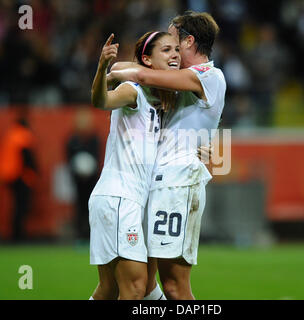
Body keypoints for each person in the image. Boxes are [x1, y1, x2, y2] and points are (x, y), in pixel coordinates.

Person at [108, 11, 226, 300]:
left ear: (188, 41)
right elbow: (135, 68)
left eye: (172, 40)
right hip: (155, 183)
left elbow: (140, 72)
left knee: (174, 286)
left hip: (178, 183)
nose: (169, 48)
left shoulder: (210, 76)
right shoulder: (173, 81)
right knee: (144, 286)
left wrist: (106, 72)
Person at [88, 31, 180, 300]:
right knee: (136, 287)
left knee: (110, 289)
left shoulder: (160, 104)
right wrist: (103, 67)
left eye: (176, 49)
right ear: (147, 60)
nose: (174, 54)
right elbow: (100, 101)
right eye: (166, 50)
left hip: (128, 202)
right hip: (120, 198)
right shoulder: (133, 92)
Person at [0, 113, 38, 243]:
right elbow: (27, 157)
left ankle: (15, 233)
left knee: (16, 205)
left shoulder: (10, 134)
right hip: (19, 175)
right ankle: (19, 234)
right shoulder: (23, 135)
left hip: (7, 174)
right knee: (21, 205)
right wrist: (34, 172)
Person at [66, 108, 101, 243]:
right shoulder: (72, 140)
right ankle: (80, 235)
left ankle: (92, 235)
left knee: (91, 207)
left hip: (92, 180)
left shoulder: (94, 139)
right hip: (78, 180)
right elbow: (69, 160)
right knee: (79, 207)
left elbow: (97, 159)